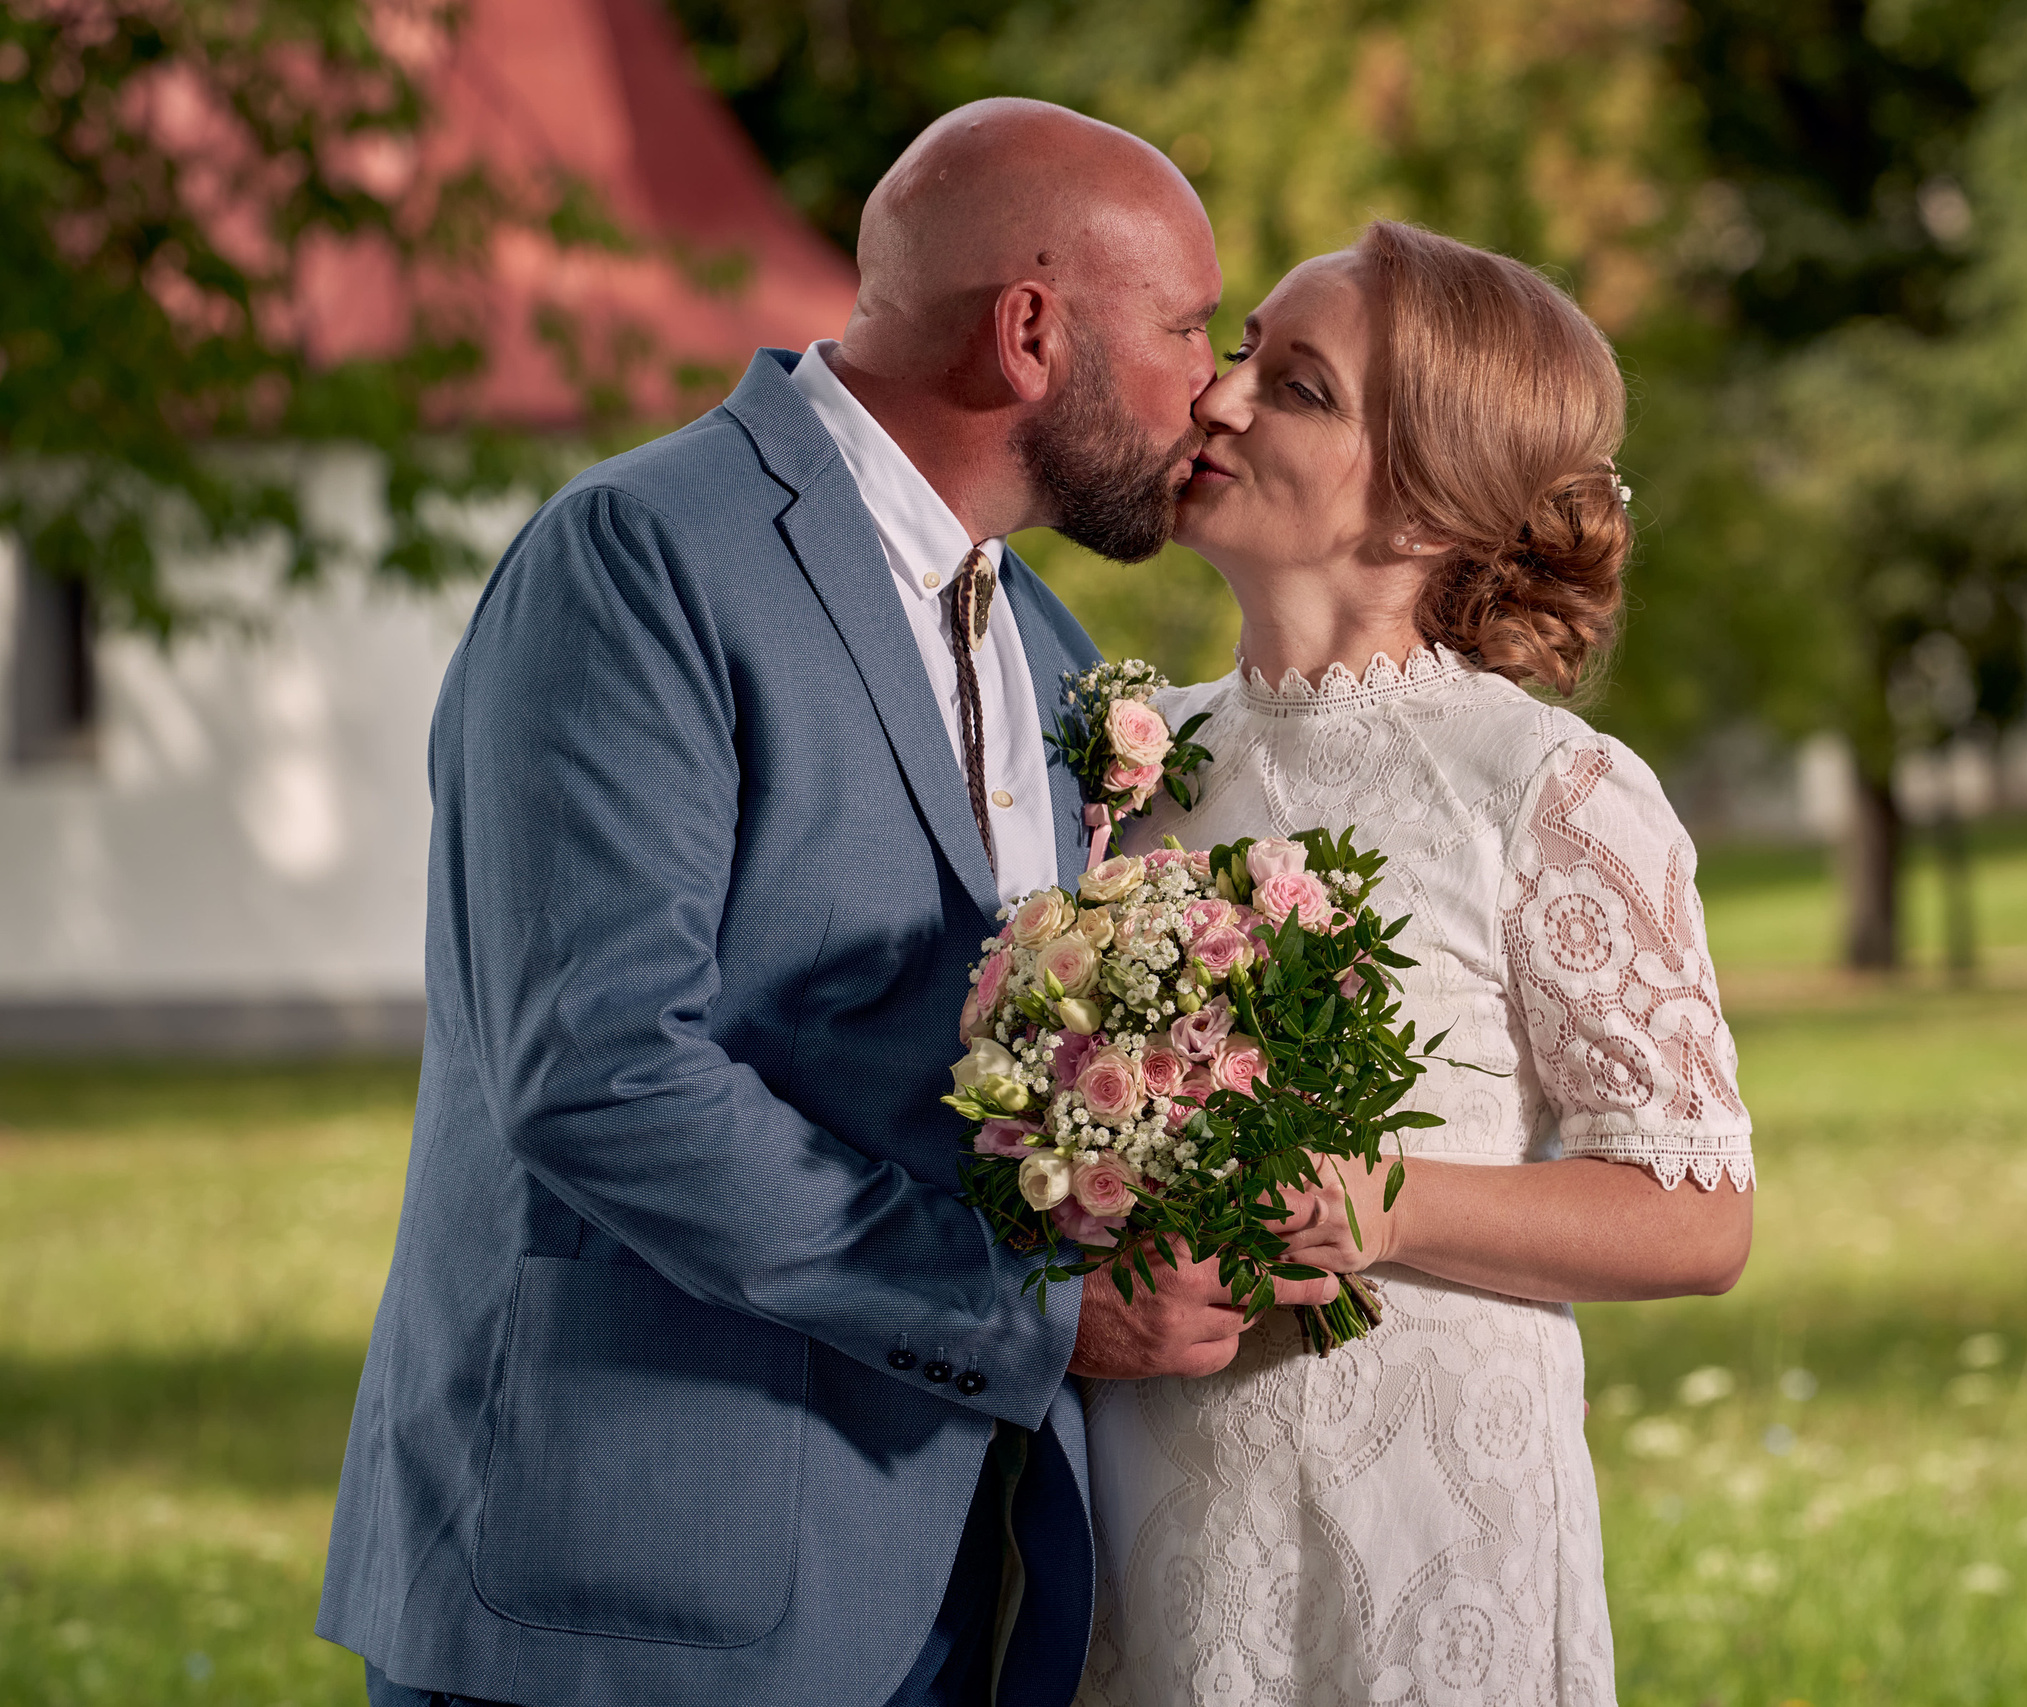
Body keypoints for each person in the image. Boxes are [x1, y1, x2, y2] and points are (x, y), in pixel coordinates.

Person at [316, 99, 1334, 1707]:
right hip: (633, 1590)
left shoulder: (1045, 640)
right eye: (1187, 328)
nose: (1212, 387)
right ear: (1028, 333)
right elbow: (602, 1072)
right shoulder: (640, 561)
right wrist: (1023, 1316)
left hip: (948, 1582)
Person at [1074, 222, 1756, 1706]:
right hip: (1142, 1511)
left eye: (1298, 386)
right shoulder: (1128, 766)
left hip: (1423, 1532)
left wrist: (1382, 1203)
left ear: (1431, 499)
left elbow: (1698, 1216)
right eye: (1243, 351)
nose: (1218, 398)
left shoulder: (1545, 789)